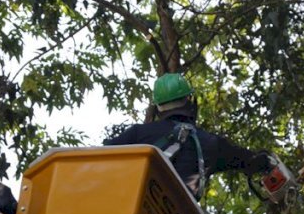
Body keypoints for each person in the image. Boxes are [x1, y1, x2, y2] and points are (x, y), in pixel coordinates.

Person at [102, 73, 273, 199]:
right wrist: (266, 162)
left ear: (158, 107)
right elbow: (248, 160)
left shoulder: (138, 134)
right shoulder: (210, 144)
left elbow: (101, 157)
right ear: (189, 100)